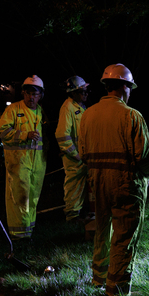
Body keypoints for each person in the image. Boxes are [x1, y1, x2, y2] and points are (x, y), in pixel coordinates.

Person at [79, 64, 149, 296]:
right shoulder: (131, 115)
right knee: (124, 235)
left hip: (97, 182)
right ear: (124, 87)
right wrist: (143, 177)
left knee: (101, 228)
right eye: (130, 88)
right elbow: (145, 156)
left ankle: (98, 277)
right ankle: (117, 290)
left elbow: (82, 153)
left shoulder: (87, 115)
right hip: (125, 183)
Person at [0, 75, 49, 241]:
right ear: (23, 93)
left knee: (33, 196)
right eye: (28, 93)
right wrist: (25, 135)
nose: (31, 97)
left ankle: (28, 231)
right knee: (20, 197)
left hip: (38, 163)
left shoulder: (41, 111)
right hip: (18, 162)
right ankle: (18, 234)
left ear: (40, 95)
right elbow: (2, 131)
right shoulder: (13, 110)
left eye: (35, 93)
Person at [56, 76, 90, 223]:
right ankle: (72, 215)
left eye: (86, 91)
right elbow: (62, 135)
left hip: (82, 156)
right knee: (73, 185)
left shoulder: (80, 107)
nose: (86, 94)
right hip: (74, 157)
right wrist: (75, 155)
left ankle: (79, 213)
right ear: (73, 93)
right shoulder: (68, 107)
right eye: (83, 91)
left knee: (81, 185)